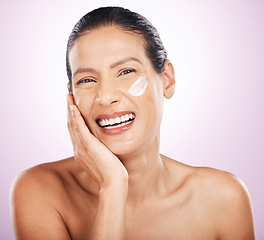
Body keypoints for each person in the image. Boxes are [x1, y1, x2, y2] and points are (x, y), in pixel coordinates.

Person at [10, 6, 255, 240]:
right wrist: (113, 187)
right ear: (71, 96)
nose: (105, 97)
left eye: (126, 72)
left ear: (167, 80)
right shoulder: (39, 190)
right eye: (86, 80)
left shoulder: (223, 198)